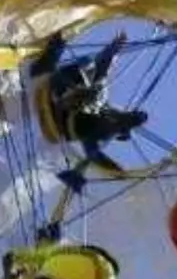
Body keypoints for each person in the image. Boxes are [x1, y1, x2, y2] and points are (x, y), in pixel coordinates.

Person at [28, 30, 150, 180]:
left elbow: (92, 153)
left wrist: (117, 171)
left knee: (90, 80)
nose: (116, 120)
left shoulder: (98, 127)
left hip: (59, 117)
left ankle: (54, 52)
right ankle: (55, 49)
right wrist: (115, 46)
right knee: (90, 69)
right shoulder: (100, 101)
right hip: (57, 94)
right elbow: (103, 66)